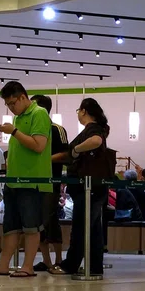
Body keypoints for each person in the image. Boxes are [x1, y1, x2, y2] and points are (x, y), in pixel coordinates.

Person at [0, 81, 52, 278]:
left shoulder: (39, 113)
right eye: (7, 104)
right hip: (14, 180)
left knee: (31, 226)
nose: (11, 108)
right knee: (11, 226)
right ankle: (3, 264)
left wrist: (14, 132)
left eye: (13, 103)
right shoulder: (18, 118)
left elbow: (39, 145)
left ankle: (28, 266)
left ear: (23, 97)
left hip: (32, 180)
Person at [53, 98, 110, 276]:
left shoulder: (92, 129)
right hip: (95, 187)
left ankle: (71, 264)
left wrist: (76, 150)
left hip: (88, 188)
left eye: (78, 110)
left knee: (81, 227)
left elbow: (96, 141)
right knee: (93, 229)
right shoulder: (96, 128)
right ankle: (94, 266)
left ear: (84, 111)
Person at [32, 94, 69, 271]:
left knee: (51, 219)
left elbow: (65, 154)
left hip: (51, 181)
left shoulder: (56, 129)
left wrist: (45, 160)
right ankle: (46, 260)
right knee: (38, 221)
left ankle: (59, 259)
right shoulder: (30, 129)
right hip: (33, 182)